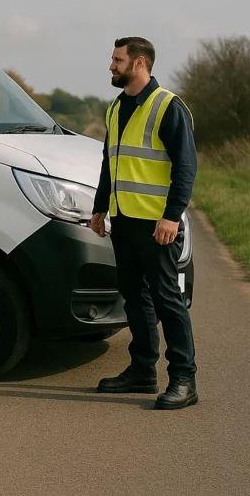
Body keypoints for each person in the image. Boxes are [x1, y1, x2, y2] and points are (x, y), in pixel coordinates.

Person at [90, 36, 199, 410]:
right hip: (124, 220)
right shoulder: (116, 108)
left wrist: (171, 216)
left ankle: (184, 379)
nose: (111, 66)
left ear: (139, 63)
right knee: (135, 297)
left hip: (157, 224)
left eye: (117, 60)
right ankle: (142, 371)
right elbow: (111, 162)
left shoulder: (168, 106)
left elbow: (186, 167)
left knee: (168, 300)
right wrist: (100, 206)